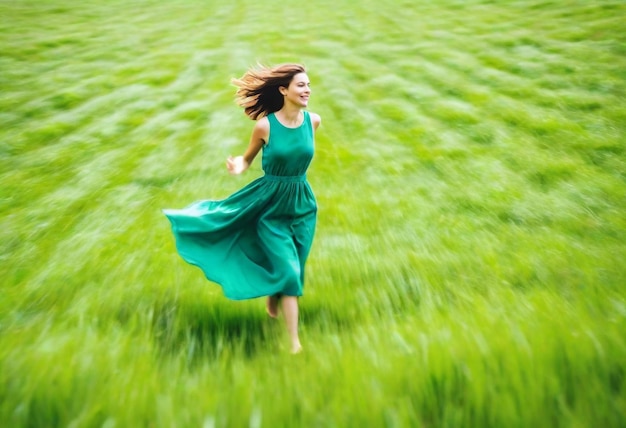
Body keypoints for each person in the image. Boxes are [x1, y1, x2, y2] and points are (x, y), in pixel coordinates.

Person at [163, 63, 321, 354]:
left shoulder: (313, 121)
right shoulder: (265, 126)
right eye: (301, 85)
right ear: (283, 90)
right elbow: (248, 159)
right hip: (269, 204)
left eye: (309, 84)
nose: (307, 89)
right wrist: (239, 165)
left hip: (302, 204)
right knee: (288, 271)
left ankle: (275, 292)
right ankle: (294, 343)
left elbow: (300, 156)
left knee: (296, 268)